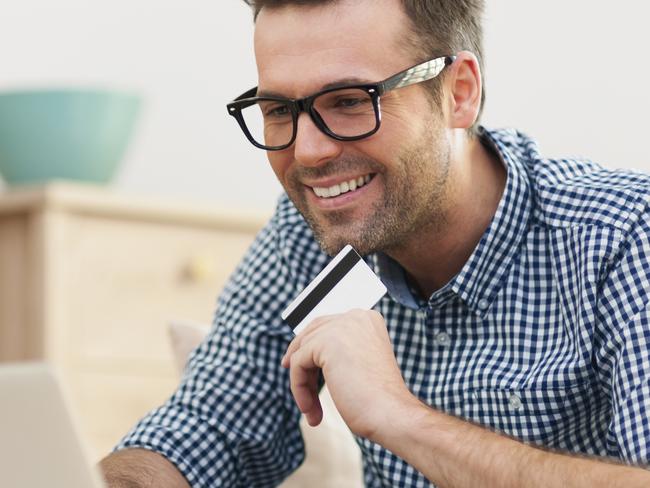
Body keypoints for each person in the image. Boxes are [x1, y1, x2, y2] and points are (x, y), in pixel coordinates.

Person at [100, 0, 650, 486]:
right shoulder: (311, 235)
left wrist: (399, 416)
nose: (310, 153)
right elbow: (207, 429)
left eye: (349, 101)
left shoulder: (621, 239)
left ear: (459, 92)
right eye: (279, 111)